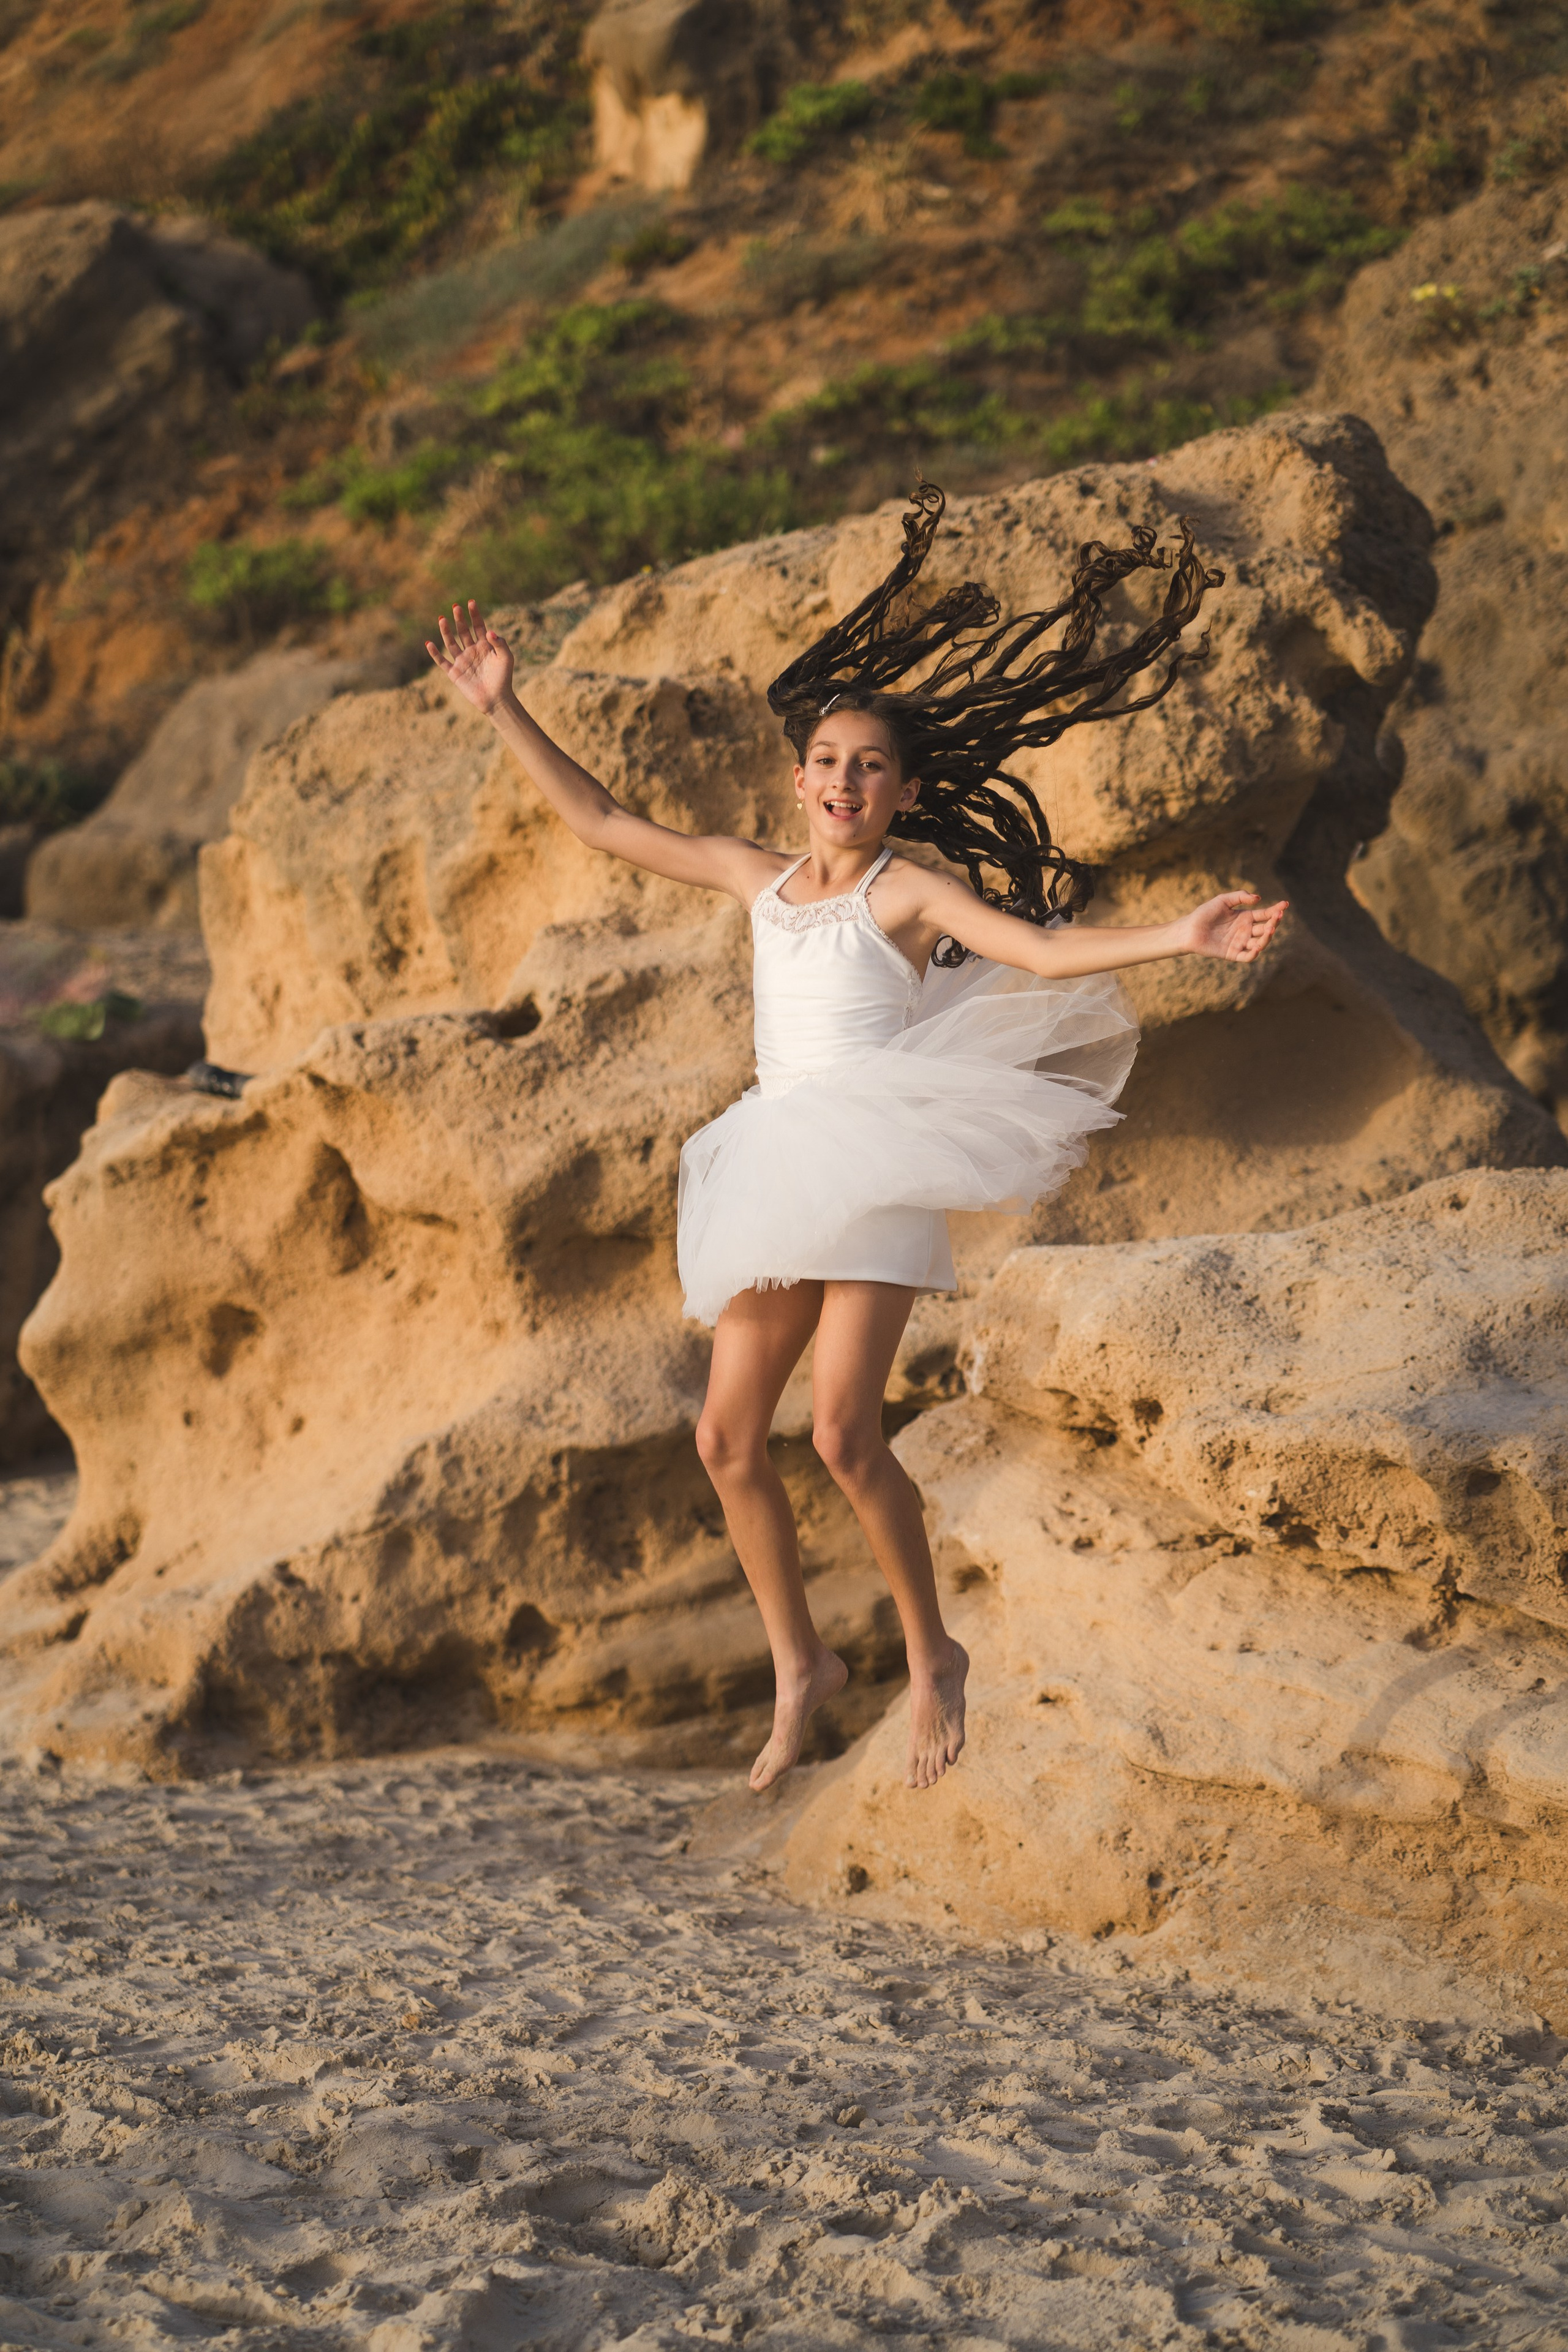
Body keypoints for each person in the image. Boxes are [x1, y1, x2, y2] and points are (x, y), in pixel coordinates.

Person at [428, 485, 1286, 1799]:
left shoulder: (909, 890)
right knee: (723, 1442)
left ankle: (929, 1651)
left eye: (869, 766)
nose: (843, 781)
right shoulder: (752, 877)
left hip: (875, 1153)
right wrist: (502, 706)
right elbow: (602, 820)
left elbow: (1044, 951)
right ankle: (800, 1669)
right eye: (827, 761)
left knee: (838, 1437)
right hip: (775, 1158)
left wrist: (1179, 934)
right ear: (799, 778)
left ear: (902, 791)